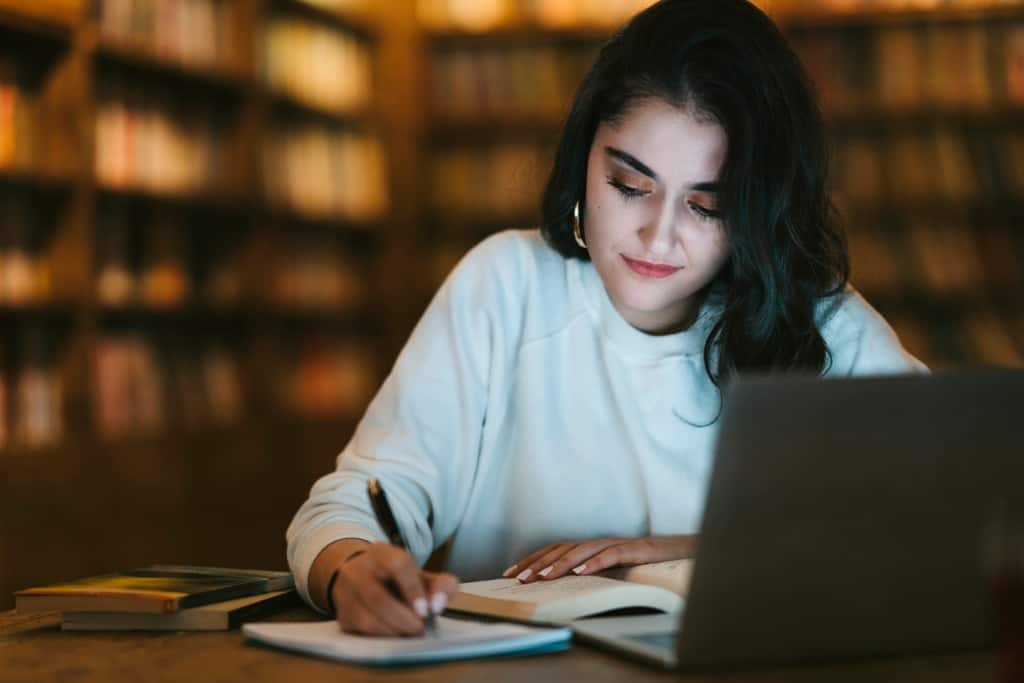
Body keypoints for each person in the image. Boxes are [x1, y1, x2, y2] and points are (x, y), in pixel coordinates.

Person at [287, 0, 926, 637]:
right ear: (585, 155)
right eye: (628, 184)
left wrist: (686, 548)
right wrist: (352, 570)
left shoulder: (820, 325)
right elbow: (351, 506)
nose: (657, 235)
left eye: (706, 206)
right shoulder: (507, 285)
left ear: (758, 210)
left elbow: (947, 517)